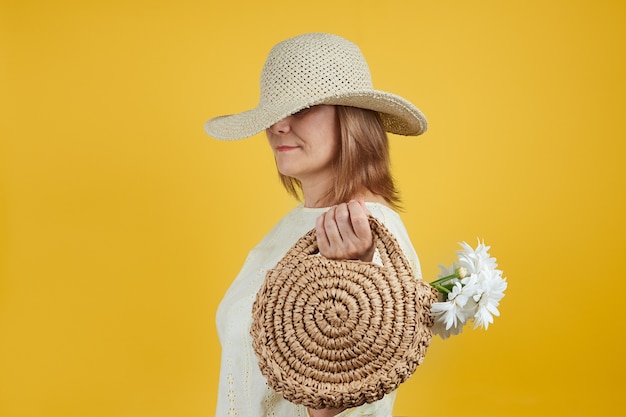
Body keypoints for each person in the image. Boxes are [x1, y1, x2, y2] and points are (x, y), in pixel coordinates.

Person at [204, 32, 428, 417]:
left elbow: (351, 403)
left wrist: (351, 289)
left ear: (352, 120)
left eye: (303, 108)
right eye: (273, 112)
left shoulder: (364, 231)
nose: (279, 126)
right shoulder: (294, 226)